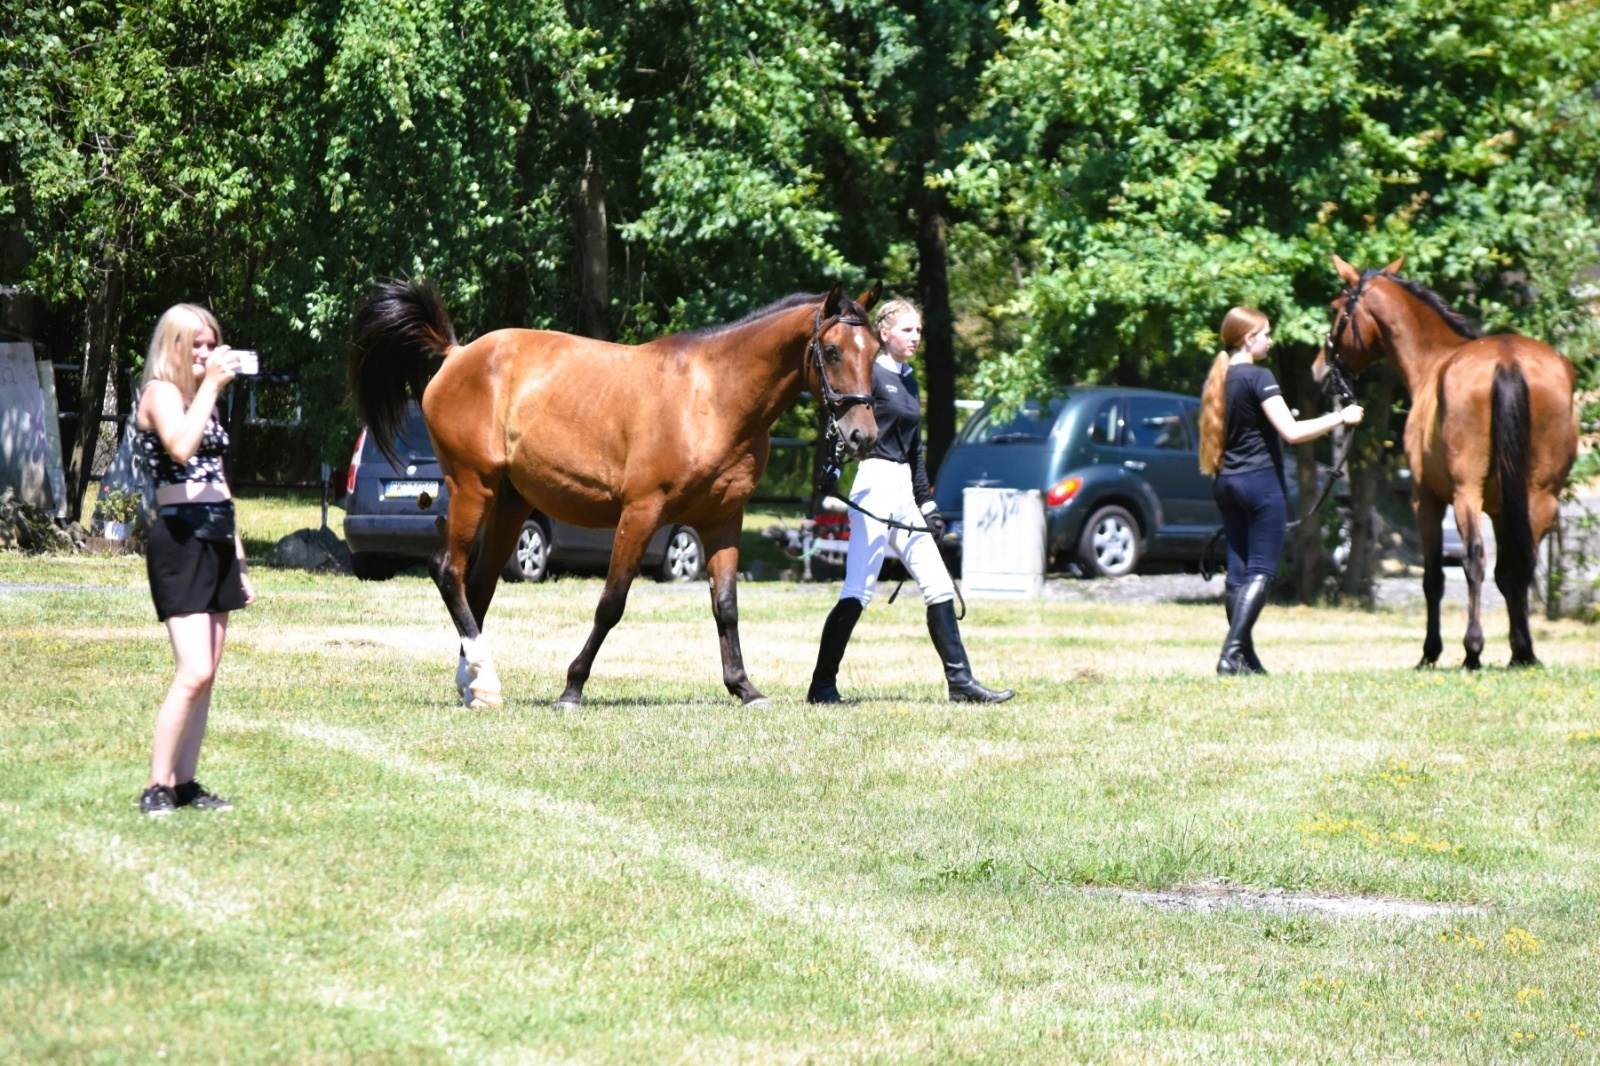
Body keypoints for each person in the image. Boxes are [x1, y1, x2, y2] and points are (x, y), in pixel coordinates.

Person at [808, 298, 1013, 704]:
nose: (915, 337)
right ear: (884, 333)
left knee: (938, 586)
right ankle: (822, 685)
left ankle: (961, 684)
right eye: (907, 330)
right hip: (874, 483)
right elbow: (840, 425)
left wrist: (928, 504)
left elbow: (914, 451)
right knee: (858, 591)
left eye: (918, 330)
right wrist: (832, 468)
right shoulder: (870, 373)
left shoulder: (910, 381)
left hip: (903, 487)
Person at [133, 304, 255, 816]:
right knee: (194, 669)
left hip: (216, 535)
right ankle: (156, 785)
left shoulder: (205, 399)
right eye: (195, 345)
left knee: (209, 675)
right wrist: (210, 389)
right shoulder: (161, 394)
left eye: (212, 344)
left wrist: (241, 560)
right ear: (173, 346)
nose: (206, 353)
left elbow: (217, 478)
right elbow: (181, 449)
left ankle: (185, 783)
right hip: (179, 538)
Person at [1198, 306, 1363, 675]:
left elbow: (1254, 425)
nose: (1271, 341)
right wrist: (1342, 416)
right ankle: (1230, 655)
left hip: (1226, 482)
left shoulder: (1219, 379)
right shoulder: (1260, 377)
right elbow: (1292, 432)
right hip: (1260, 485)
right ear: (1248, 339)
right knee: (1261, 571)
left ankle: (1244, 658)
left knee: (1238, 573)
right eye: (1266, 334)